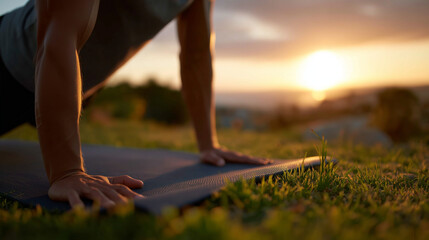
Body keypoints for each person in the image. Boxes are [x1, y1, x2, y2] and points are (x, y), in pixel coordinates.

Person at [0, 0, 272, 209]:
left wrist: (208, 143)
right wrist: (67, 172)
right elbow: (57, 31)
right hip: (8, 65)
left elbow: (197, 55)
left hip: (74, 84)